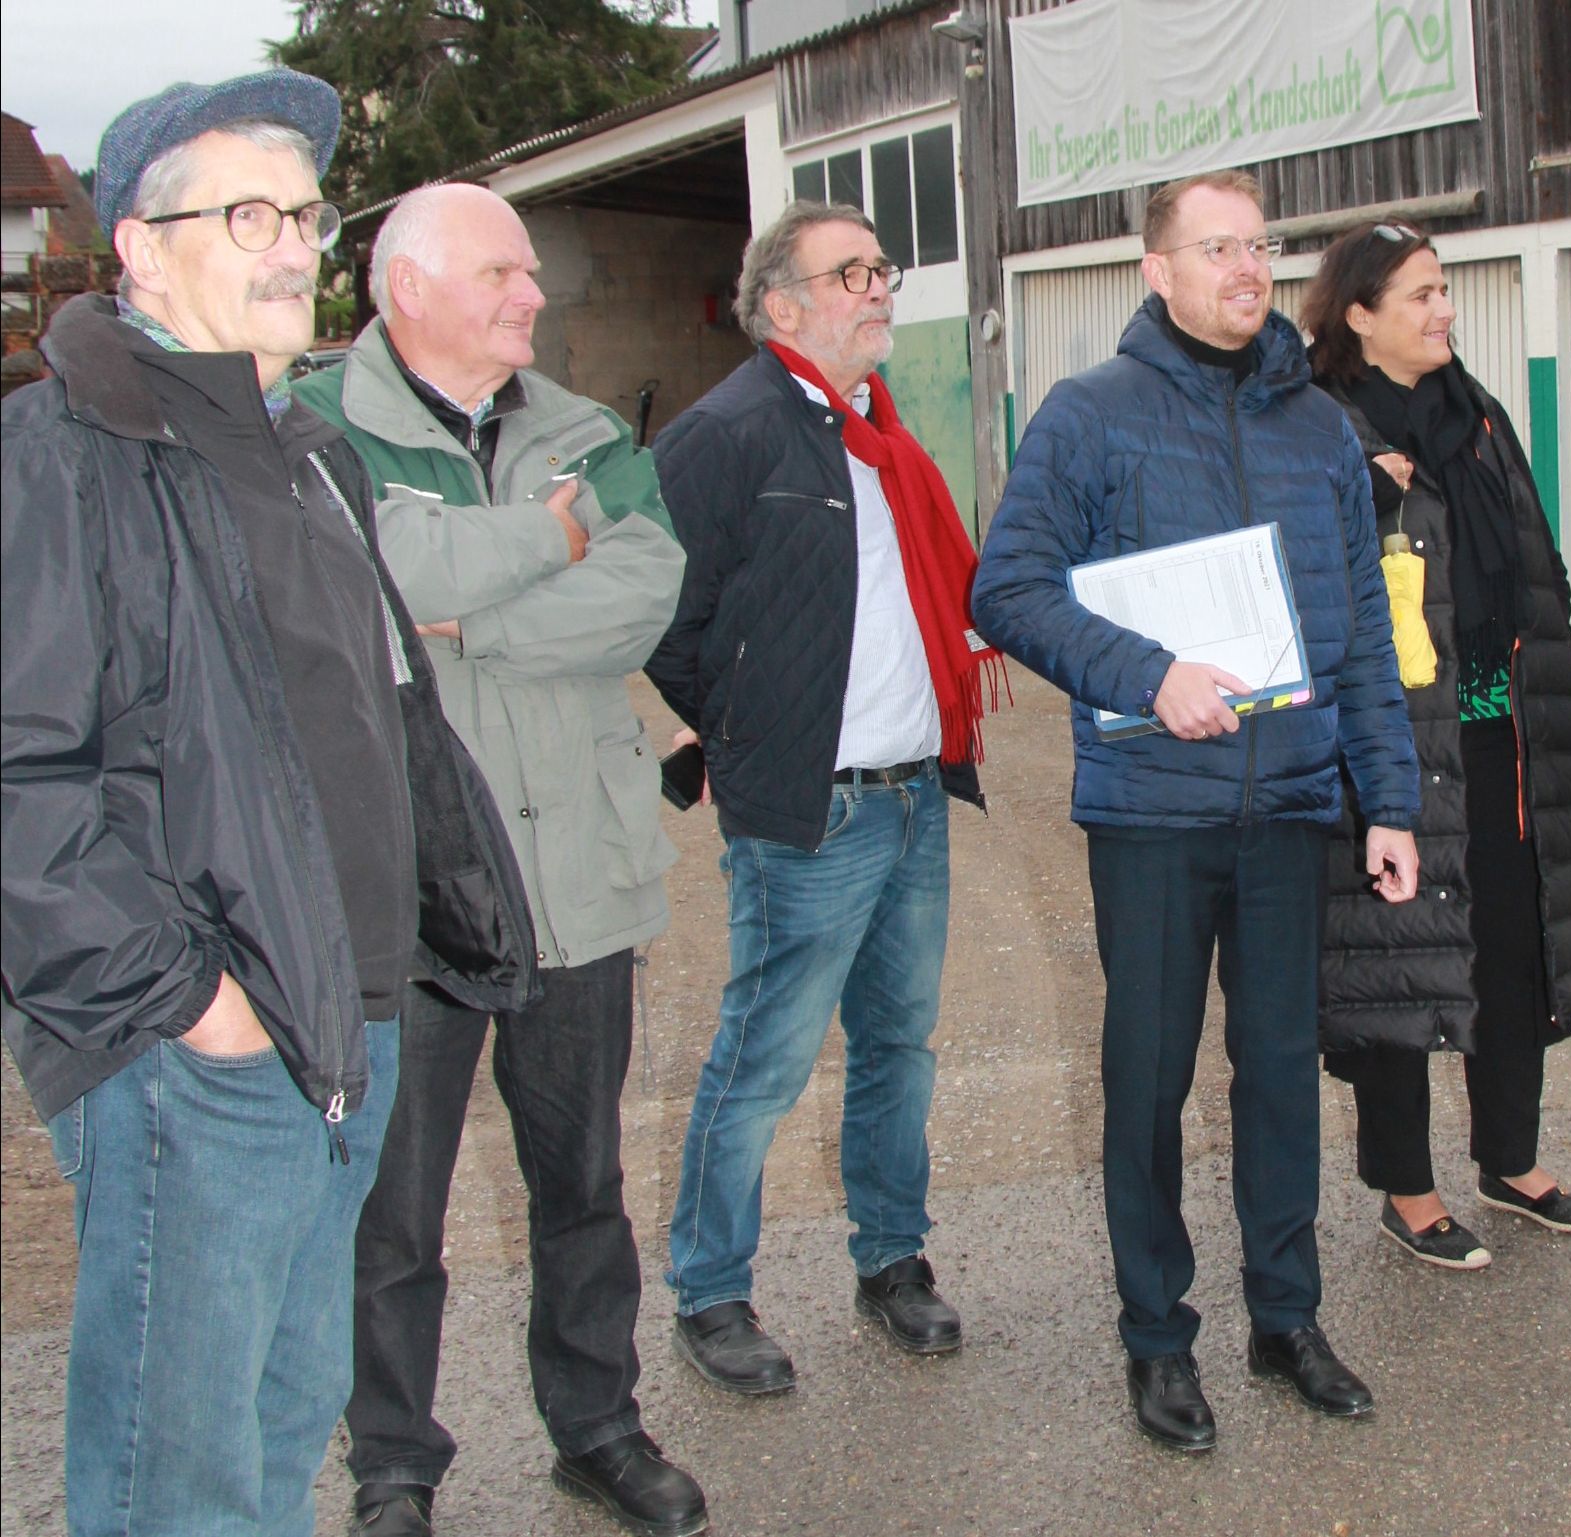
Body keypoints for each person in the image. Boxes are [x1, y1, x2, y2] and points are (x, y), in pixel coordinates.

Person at [0, 71, 534, 1536]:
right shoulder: (59, 459)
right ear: (139, 247)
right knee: (177, 1479)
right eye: (247, 215)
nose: (296, 246)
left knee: (284, 1429)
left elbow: (381, 718)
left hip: (351, 1019)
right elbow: (22, 781)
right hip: (203, 1050)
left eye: (305, 215)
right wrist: (189, 1006)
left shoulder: (308, 452)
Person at [972, 170, 1423, 1453]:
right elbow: (1006, 588)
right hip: (1153, 815)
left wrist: (1386, 799)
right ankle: (1157, 1335)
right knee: (1148, 1077)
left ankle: (1286, 1318)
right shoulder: (1089, 415)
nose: (1243, 267)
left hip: (1289, 806)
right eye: (1213, 246)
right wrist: (1145, 674)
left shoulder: (1319, 429)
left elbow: (1360, 634)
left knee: (1279, 1073)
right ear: (1155, 270)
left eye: (1257, 245)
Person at [292, 184, 703, 1537]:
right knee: (393, 1211)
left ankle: (598, 1428)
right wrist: (549, 538)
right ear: (407, 285)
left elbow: (644, 593)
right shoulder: (314, 428)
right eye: (501, 274)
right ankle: (394, 1463)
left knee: (581, 1185)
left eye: (530, 271)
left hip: (574, 873)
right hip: (406, 893)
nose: (533, 293)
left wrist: (470, 626)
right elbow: (365, 578)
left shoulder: (587, 430)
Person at [644, 201, 993, 1394]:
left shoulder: (879, 433)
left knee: (898, 1045)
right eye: (850, 272)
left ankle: (891, 1258)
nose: (879, 285)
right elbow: (661, 618)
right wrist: (744, 736)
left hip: (913, 798)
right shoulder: (724, 433)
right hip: (810, 812)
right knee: (763, 1061)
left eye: (881, 267)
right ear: (780, 305)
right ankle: (709, 1291)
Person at [1298, 222, 1571, 1274]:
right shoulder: (1319, 425)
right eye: (1420, 295)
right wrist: (1363, 491)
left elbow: (1533, 558)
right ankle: (1408, 1188)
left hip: (1500, 727)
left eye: (1444, 290)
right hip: (1389, 739)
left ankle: (1510, 1160)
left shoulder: (1475, 414)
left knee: (1513, 945)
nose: (1445, 310)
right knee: (1396, 958)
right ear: (1358, 315)